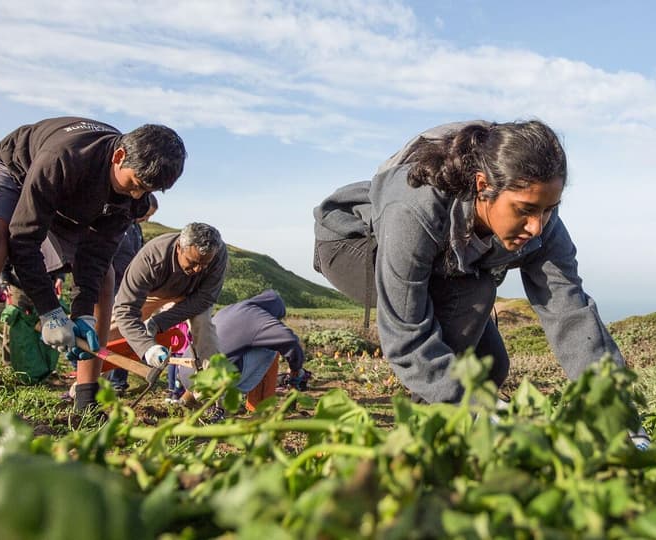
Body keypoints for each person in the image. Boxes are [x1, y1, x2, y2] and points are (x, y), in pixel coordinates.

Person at [312, 120, 626, 405]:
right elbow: (406, 338)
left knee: (490, 365)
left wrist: (616, 411)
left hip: (441, 262)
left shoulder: (544, 226)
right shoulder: (415, 207)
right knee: (473, 296)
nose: (537, 227)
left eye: (548, 209)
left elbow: (570, 312)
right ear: (482, 186)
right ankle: (421, 443)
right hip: (355, 244)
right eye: (525, 209)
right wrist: (480, 412)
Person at [0, 117, 187, 416]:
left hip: (71, 204)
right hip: (16, 175)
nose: (137, 195)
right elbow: (24, 238)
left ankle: (86, 398)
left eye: (147, 191)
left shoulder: (134, 196)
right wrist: (51, 312)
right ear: (119, 157)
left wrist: (83, 314)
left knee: (105, 276)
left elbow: (95, 256)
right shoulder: (65, 155)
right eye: (136, 184)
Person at [110, 222, 226, 378]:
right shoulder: (151, 258)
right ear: (179, 248)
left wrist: (158, 322)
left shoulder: (218, 254)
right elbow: (125, 309)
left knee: (204, 327)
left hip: (193, 297)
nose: (198, 269)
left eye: (204, 264)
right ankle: (88, 387)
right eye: (193, 262)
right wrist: (147, 347)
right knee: (111, 332)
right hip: (153, 294)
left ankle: (211, 392)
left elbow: (205, 298)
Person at [106, 193, 158, 392]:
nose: (147, 219)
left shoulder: (136, 229)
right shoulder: (119, 224)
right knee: (110, 333)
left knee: (127, 332)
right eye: (147, 214)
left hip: (129, 287)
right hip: (112, 285)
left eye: (150, 217)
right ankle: (96, 374)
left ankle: (118, 381)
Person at [212, 289, 312, 391]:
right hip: (221, 379)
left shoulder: (231, 308)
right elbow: (290, 340)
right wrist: (295, 368)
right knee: (270, 348)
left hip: (202, 375)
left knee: (258, 342)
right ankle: (237, 393)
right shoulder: (259, 316)